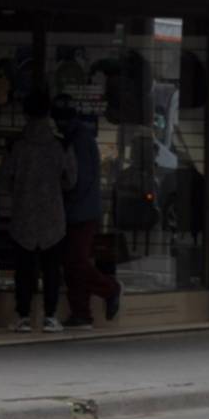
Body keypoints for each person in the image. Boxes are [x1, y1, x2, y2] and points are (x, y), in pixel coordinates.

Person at [5, 90, 76, 333]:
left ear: (25, 114)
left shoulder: (17, 145)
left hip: (23, 216)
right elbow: (71, 180)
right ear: (48, 113)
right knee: (51, 270)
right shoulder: (60, 144)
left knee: (24, 270)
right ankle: (50, 316)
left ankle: (23, 315)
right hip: (53, 218)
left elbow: (7, 178)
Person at [53, 97, 121, 330]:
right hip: (81, 211)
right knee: (74, 263)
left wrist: (63, 197)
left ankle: (109, 289)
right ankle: (81, 312)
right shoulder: (79, 137)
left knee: (76, 262)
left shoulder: (77, 141)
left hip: (79, 213)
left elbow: (77, 181)